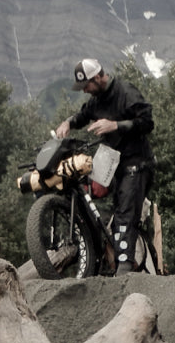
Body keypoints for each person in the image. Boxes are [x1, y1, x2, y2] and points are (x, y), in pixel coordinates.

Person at [55, 58, 155, 275]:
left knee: (125, 212)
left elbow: (147, 122)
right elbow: (82, 115)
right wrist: (68, 123)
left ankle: (125, 267)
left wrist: (115, 125)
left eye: (87, 85)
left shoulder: (126, 92)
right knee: (85, 193)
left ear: (99, 77)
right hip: (110, 160)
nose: (85, 91)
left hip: (136, 162)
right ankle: (95, 253)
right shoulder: (96, 99)